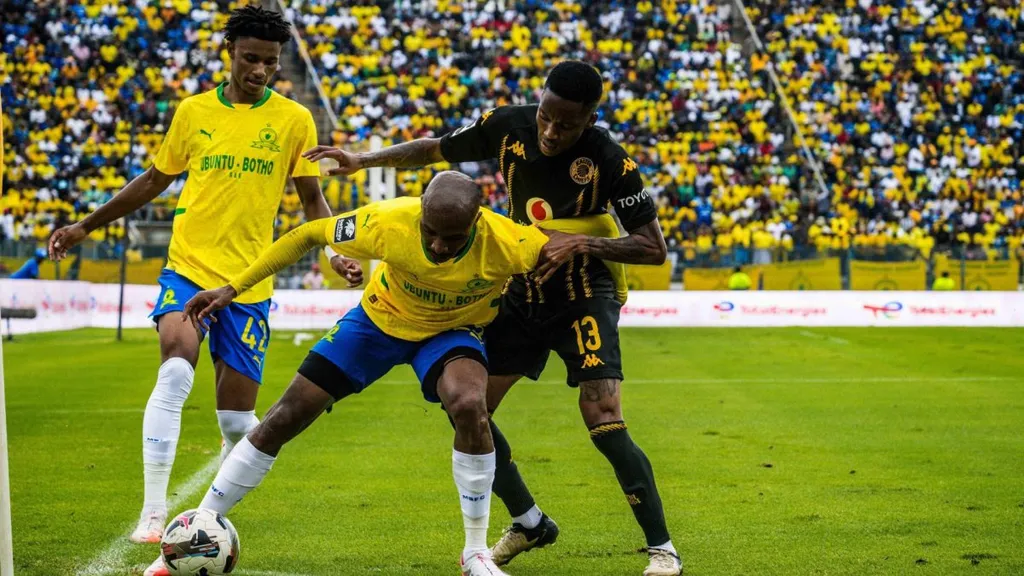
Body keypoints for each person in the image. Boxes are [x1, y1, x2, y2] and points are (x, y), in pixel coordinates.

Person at [303, 61, 679, 575]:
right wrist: (360, 160)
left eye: (566, 125)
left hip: (585, 292)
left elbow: (653, 248)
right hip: (522, 287)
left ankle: (662, 548)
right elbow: (435, 149)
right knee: (471, 409)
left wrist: (583, 241)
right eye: (546, 116)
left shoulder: (612, 161)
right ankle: (528, 522)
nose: (550, 132)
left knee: (602, 413)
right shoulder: (508, 124)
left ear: (590, 119)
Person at [144, 172, 588, 576]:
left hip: (452, 332)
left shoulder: (513, 242)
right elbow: (307, 233)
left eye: (450, 238)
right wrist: (233, 287)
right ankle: (194, 533)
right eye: (428, 232)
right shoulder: (388, 219)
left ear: (476, 223)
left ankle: (476, 555)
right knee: (285, 415)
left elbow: (580, 266)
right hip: (377, 322)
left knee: (470, 405)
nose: (436, 246)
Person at [47, 5, 360, 544]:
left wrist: (333, 254)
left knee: (239, 424)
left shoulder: (293, 119)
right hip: (188, 268)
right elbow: (153, 180)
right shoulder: (193, 112)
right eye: (250, 59)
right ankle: (151, 512)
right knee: (175, 368)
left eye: (269, 62)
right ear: (230, 54)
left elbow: (312, 197)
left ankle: (207, 514)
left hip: (249, 283)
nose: (260, 70)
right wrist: (85, 225)